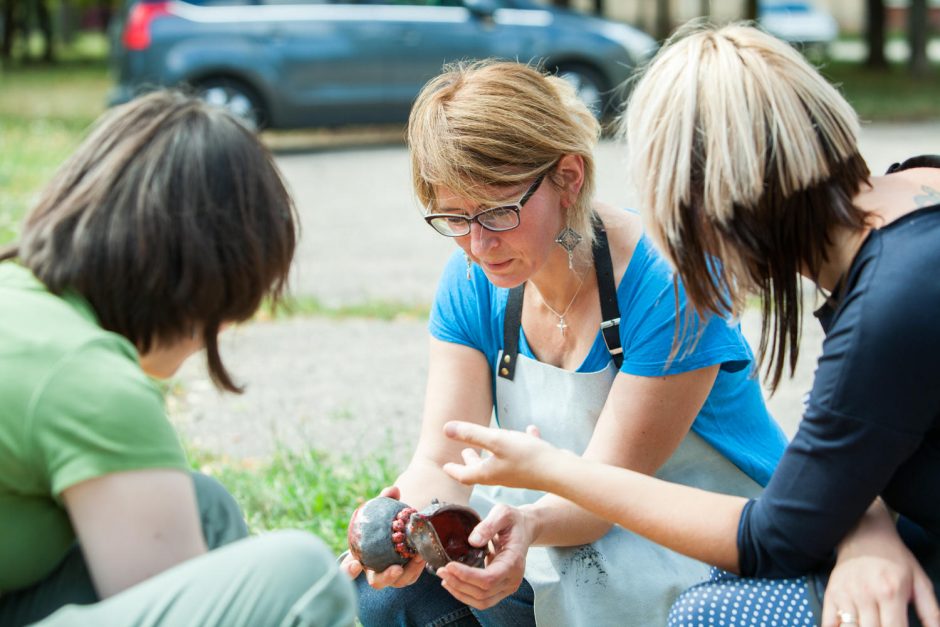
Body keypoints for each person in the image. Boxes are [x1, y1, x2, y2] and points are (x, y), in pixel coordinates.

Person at [441, 23, 940, 627]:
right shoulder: (916, 197)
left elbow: (777, 534)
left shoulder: (892, 301)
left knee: (717, 615)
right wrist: (868, 525)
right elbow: (873, 437)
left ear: (708, 197)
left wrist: (553, 470)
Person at [342, 60, 788, 627]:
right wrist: (405, 532)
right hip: (564, 527)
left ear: (569, 177)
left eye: (499, 211)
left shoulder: (670, 281)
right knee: (390, 599)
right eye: (454, 217)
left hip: (702, 538)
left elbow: (603, 498)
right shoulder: (474, 278)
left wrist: (525, 527)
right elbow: (440, 458)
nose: (478, 244)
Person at [0, 91, 355, 627]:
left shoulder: (20, 300)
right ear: (211, 276)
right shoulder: (88, 381)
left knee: (203, 505)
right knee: (302, 574)